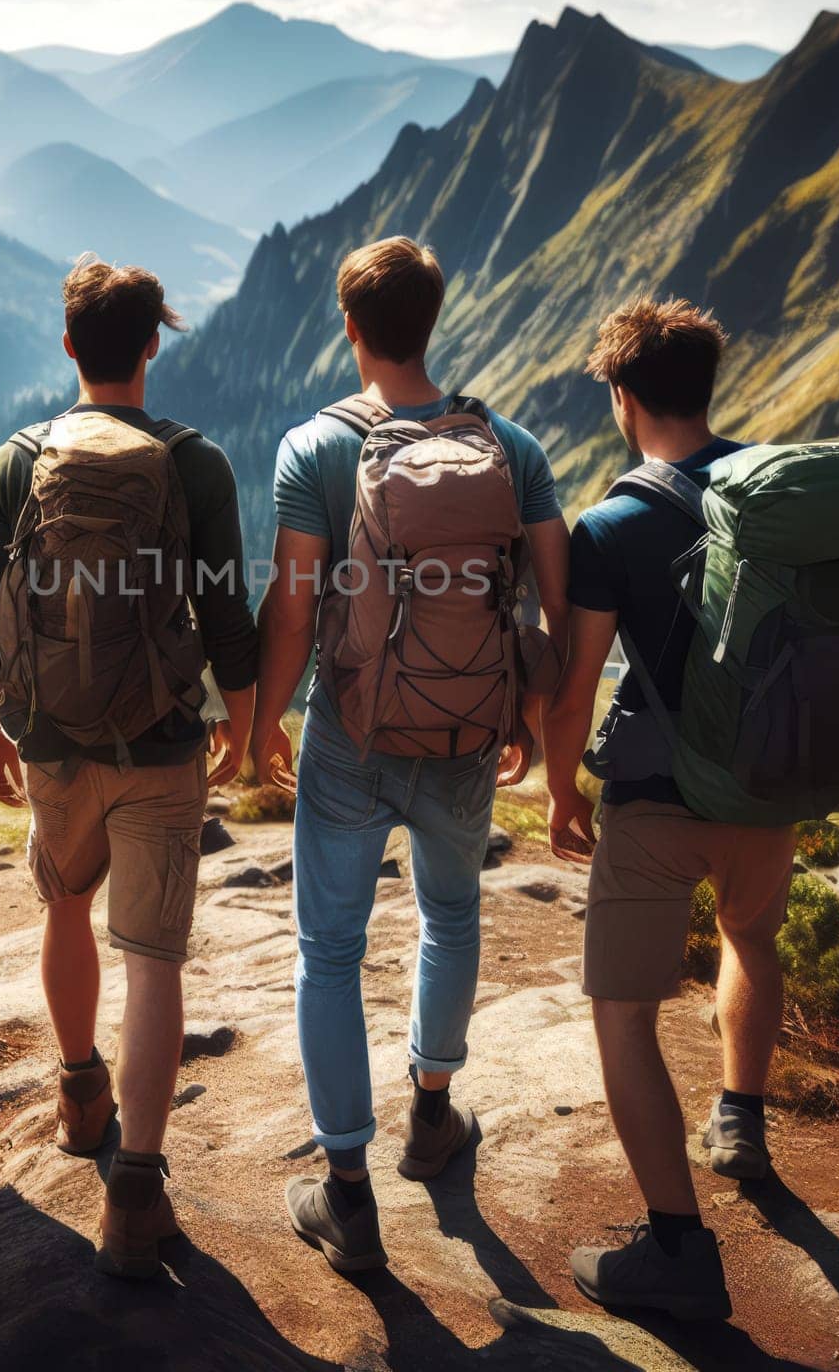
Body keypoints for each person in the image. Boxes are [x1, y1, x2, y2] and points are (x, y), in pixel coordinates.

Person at [249, 237, 569, 1273]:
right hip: (469, 732)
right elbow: (552, 602)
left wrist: (263, 721)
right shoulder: (509, 446)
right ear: (433, 320)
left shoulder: (315, 449)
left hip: (350, 738)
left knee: (330, 953)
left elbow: (293, 613)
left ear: (351, 326)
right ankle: (432, 1117)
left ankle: (347, 1194)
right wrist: (527, 715)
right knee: (453, 913)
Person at [0, 257, 258, 1279]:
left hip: (49, 737)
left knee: (63, 906)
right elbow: (226, 615)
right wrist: (245, 726)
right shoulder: (194, 464)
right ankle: (135, 1184)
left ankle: (80, 1094)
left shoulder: (16, 461)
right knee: (156, 960)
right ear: (151, 348)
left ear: (67, 345)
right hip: (163, 737)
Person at [536, 293, 796, 1322]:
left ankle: (677, 1246)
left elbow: (575, 684)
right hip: (768, 784)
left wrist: (562, 788)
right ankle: (740, 1118)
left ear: (623, 394)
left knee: (623, 1013)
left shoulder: (610, 525)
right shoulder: (775, 492)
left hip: (656, 801)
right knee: (751, 937)